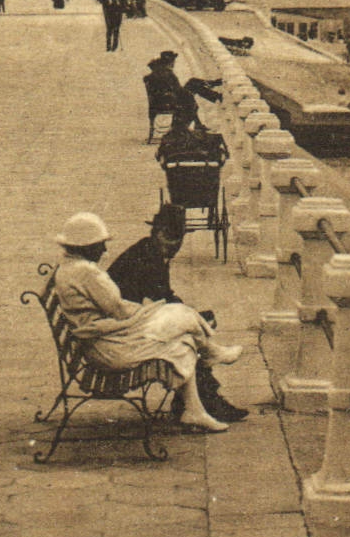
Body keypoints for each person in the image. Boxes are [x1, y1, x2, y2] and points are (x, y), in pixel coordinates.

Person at [51, 212, 240, 433]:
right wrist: (148, 315)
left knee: (183, 332)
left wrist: (152, 313)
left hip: (105, 337)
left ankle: (194, 409)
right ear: (85, 245)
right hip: (108, 348)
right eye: (100, 244)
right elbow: (118, 309)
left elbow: (116, 308)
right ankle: (210, 355)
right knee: (179, 318)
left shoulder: (74, 268)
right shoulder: (85, 272)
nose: (104, 250)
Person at [109, 205, 249, 423]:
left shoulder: (151, 251)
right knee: (186, 337)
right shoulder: (148, 258)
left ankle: (201, 399)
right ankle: (207, 398)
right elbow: (161, 298)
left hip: (127, 322)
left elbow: (163, 296)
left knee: (190, 330)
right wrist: (193, 317)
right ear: (158, 232)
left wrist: (193, 315)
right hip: (123, 331)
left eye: (179, 239)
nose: (175, 246)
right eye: (171, 239)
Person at [156, 112, 228, 166]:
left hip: (177, 175)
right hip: (205, 175)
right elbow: (224, 155)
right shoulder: (211, 138)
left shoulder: (167, 139)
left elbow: (158, 156)